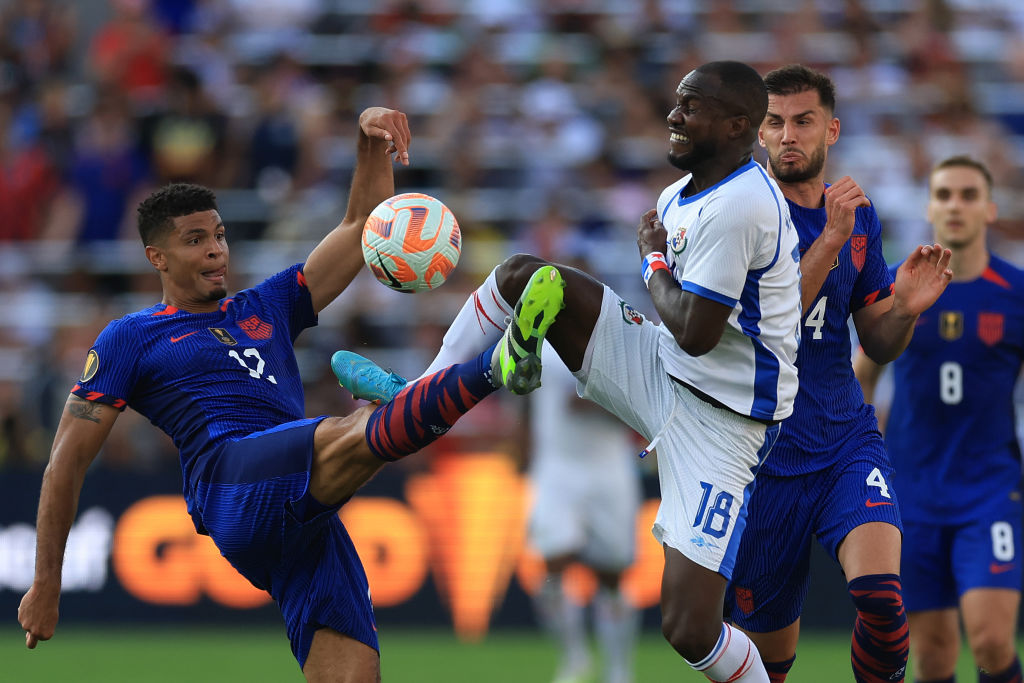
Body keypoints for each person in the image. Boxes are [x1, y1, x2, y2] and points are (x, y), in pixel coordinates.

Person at [16, 107, 568, 682]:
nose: (216, 250)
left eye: (220, 235)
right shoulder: (131, 336)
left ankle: (408, 399)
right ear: (157, 257)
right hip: (231, 481)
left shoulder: (267, 305)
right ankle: (496, 365)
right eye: (195, 240)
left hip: (305, 515)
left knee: (355, 676)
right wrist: (47, 583)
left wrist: (368, 139)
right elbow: (66, 461)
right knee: (348, 433)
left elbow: (362, 227)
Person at [342, 60, 803, 682]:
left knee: (688, 628)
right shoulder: (681, 194)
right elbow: (682, 338)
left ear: (737, 124)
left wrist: (652, 261)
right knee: (527, 276)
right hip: (663, 371)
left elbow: (696, 333)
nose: (673, 116)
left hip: (725, 423)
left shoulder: (743, 203)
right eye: (676, 101)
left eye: (690, 106)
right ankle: (420, 394)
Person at [721, 64, 954, 683]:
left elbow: (877, 343)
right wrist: (828, 239)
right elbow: (767, 330)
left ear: (832, 130)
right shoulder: (741, 216)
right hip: (761, 454)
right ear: (759, 133)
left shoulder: (857, 217)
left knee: (882, 599)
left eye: (803, 121)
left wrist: (901, 308)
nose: (788, 134)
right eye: (775, 122)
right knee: (766, 668)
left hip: (845, 438)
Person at [855, 156, 1024, 683]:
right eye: (945, 194)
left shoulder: (1016, 292)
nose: (956, 205)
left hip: (991, 489)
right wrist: (864, 458)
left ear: (989, 208)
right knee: (931, 656)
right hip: (913, 491)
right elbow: (863, 375)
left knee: (993, 642)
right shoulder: (899, 287)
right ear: (929, 206)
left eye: (968, 194)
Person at [527, 343, 641, 683]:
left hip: (609, 468)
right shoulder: (541, 340)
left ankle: (618, 669)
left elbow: (638, 405)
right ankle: (574, 658)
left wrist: (603, 399)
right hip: (557, 466)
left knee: (612, 575)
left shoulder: (619, 341)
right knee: (553, 564)